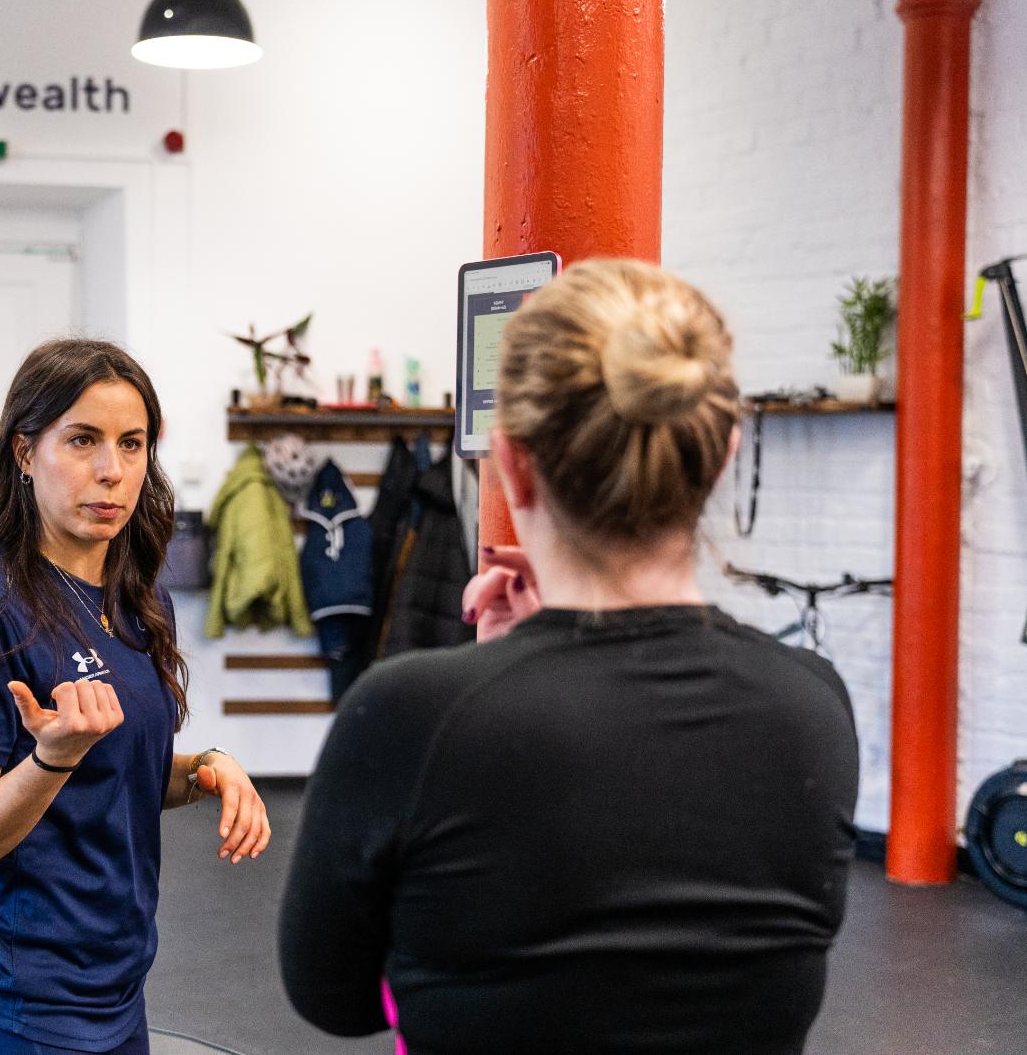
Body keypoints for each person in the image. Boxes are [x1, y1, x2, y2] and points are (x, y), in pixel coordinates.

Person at [278, 260, 859, 1055]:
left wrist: (504, 676)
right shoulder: (812, 703)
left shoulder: (411, 713)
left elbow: (335, 997)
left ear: (510, 459)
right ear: (724, 454)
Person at [0, 338, 271, 1055]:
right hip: (8, 1005)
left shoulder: (131, 598)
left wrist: (201, 767)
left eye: (131, 444)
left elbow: (110, 769)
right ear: (23, 451)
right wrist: (52, 757)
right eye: (82, 440)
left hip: (114, 990)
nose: (112, 471)